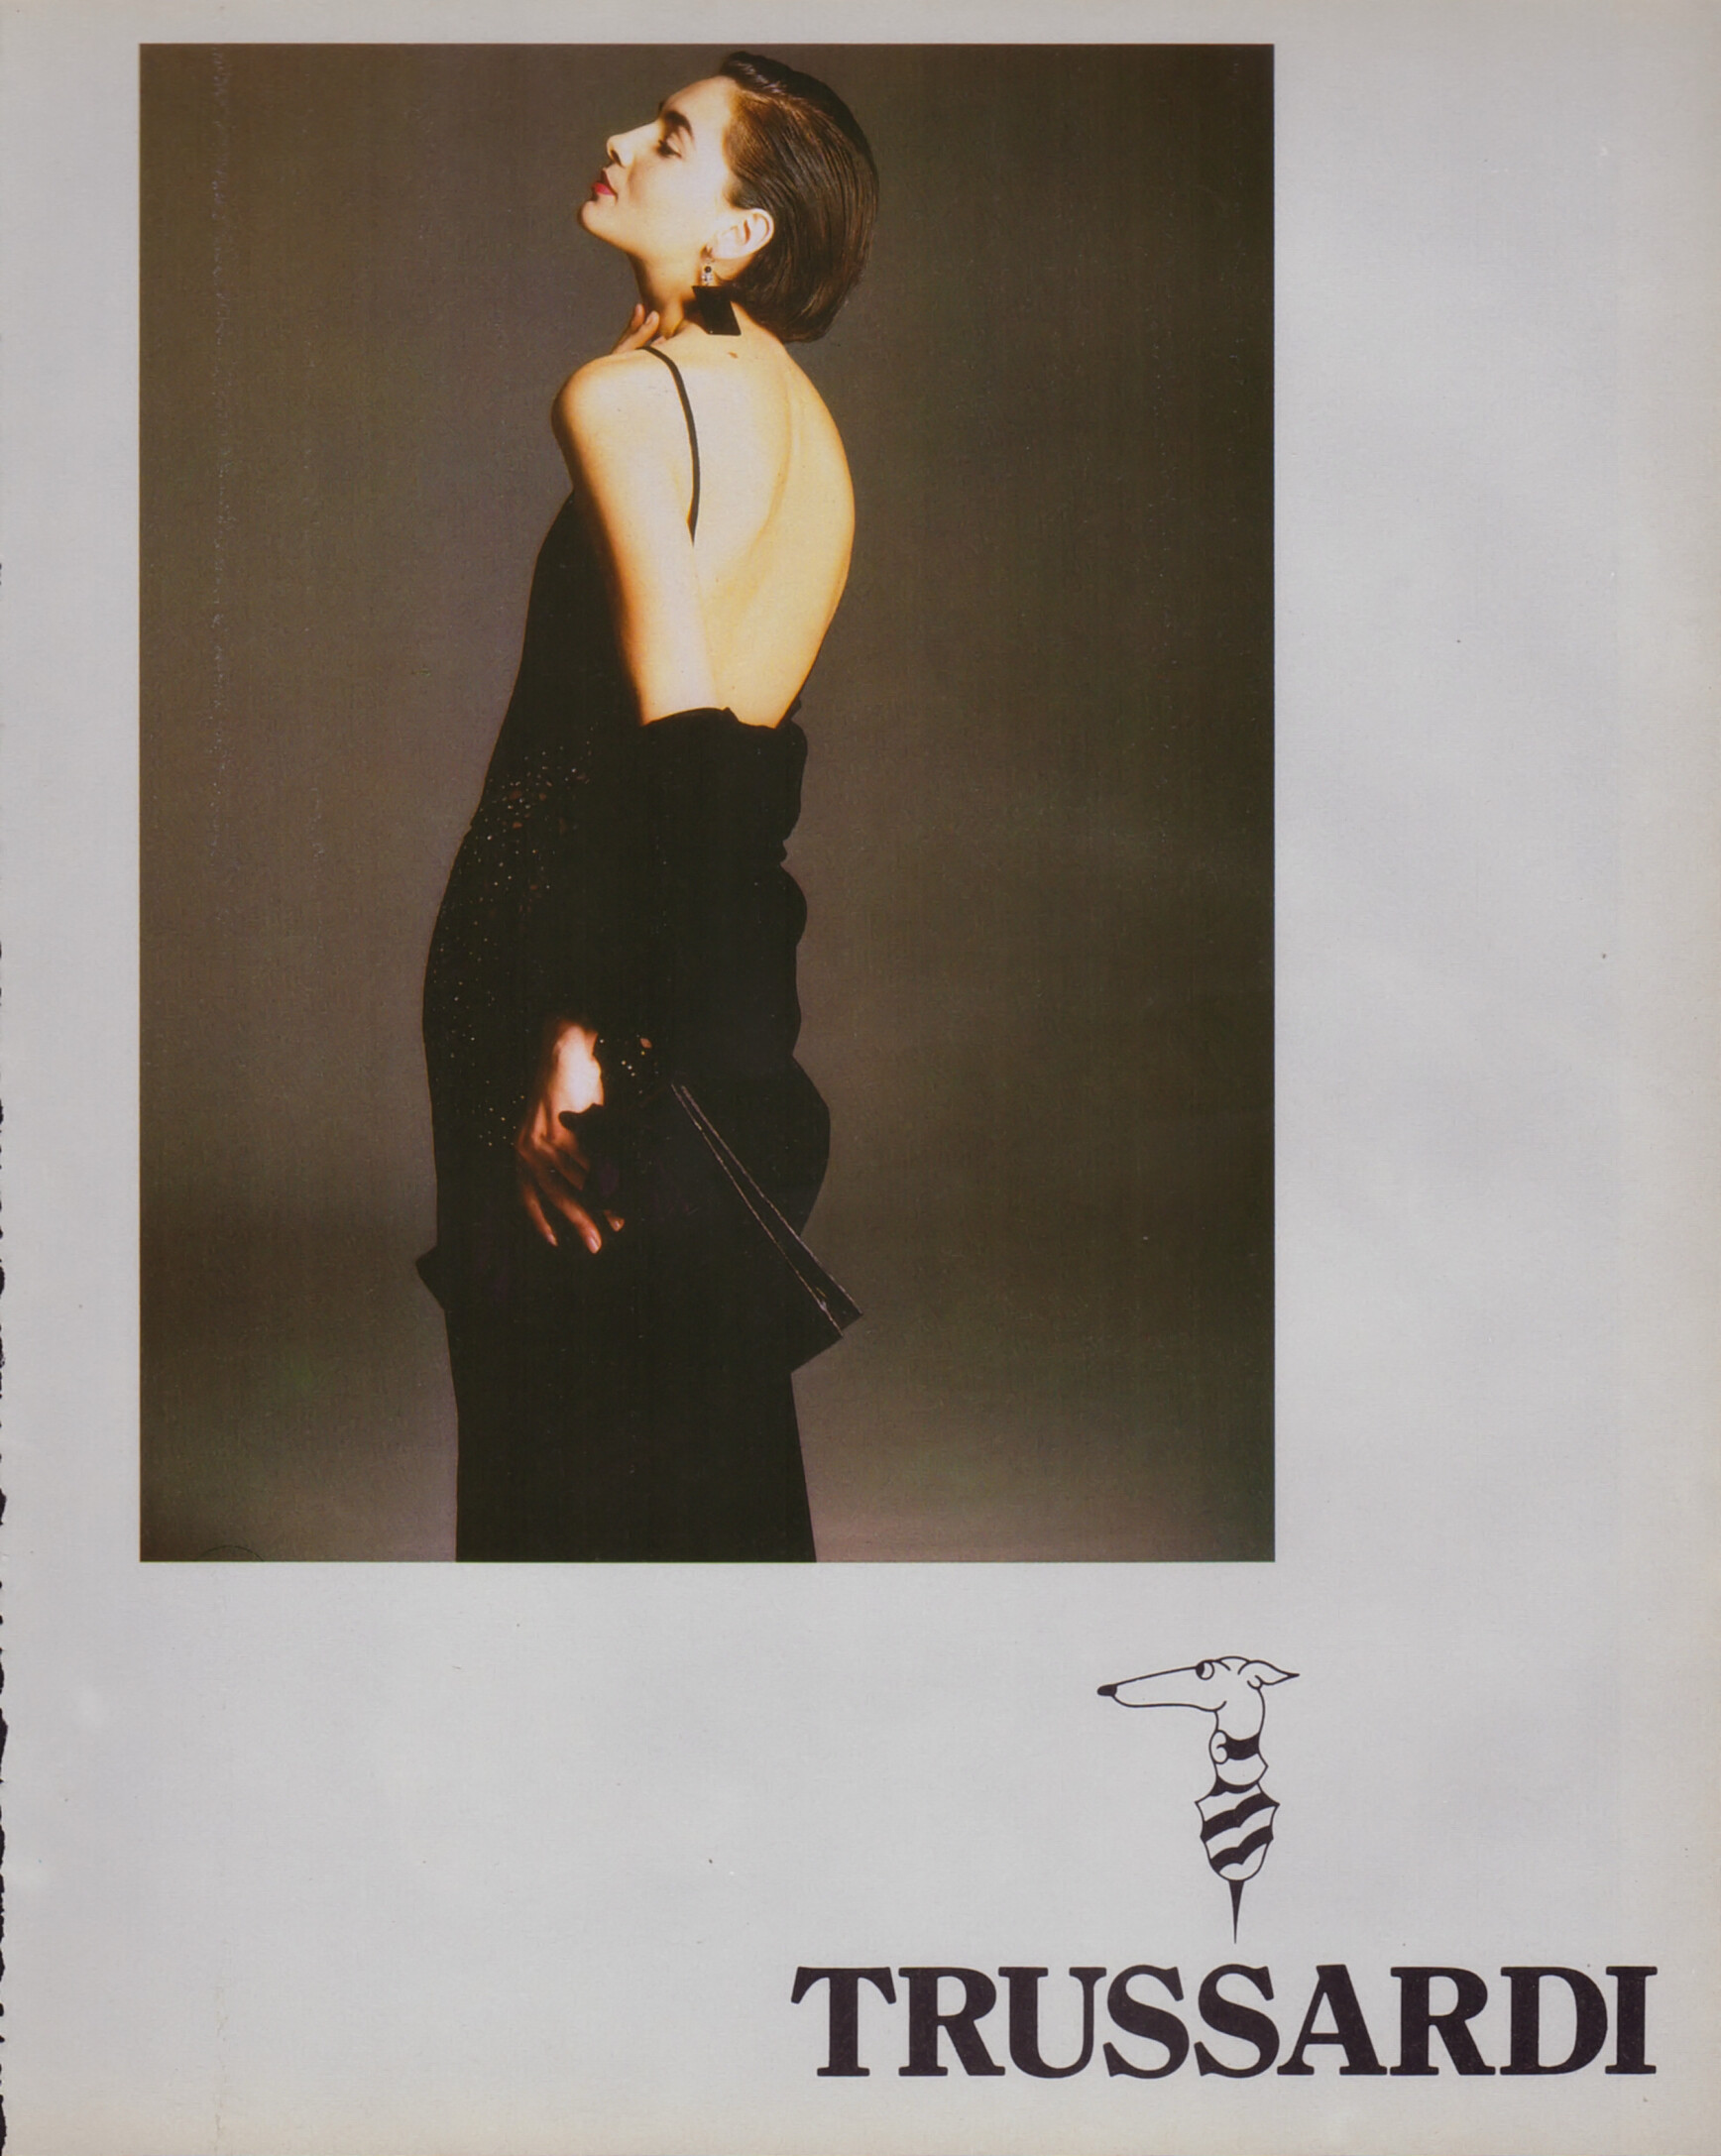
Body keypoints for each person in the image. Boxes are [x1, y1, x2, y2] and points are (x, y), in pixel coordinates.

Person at [420, 55, 876, 1561]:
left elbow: (677, 739)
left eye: (673, 138)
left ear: (741, 232)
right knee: (681, 1402)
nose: (624, 138)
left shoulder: (624, 399)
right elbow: (735, 771)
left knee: (552, 1415)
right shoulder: (807, 428)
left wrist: (581, 1022)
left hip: (568, 953)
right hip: (700, 950)